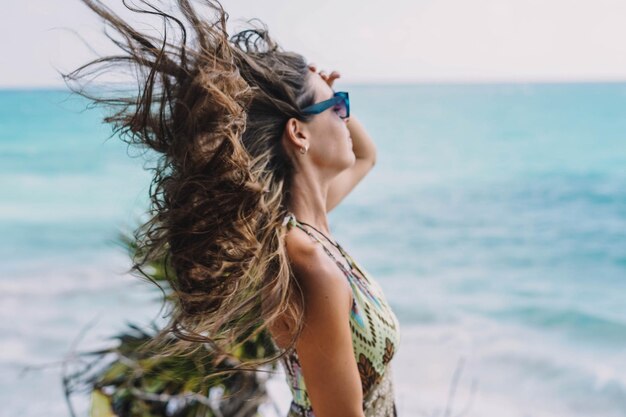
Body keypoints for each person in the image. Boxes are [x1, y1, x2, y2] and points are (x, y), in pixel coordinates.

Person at [64, 1, 400, 416]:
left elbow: (366, 157)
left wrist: (324, 97)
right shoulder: (307, 261)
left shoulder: (305, 229)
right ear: (297, 133)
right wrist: (318, 95)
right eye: (338, 108)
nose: (345, 118)